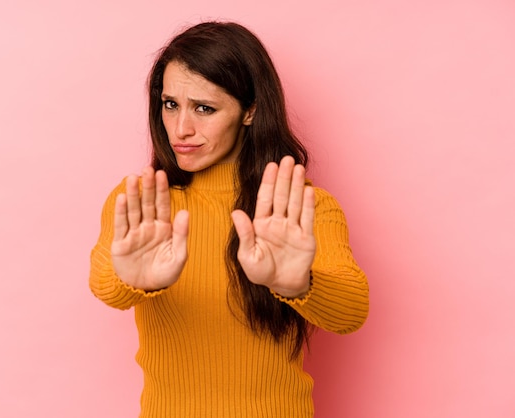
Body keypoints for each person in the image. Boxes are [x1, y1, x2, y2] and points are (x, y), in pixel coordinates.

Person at [89, 21, 369, 417]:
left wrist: (297, 284)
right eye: (171, 104)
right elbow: (105, 286)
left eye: (204, 108)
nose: (181, 129)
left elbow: (351, 313)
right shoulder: (143, 202)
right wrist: (131, 280)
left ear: (250, 111)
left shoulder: (300, 207)